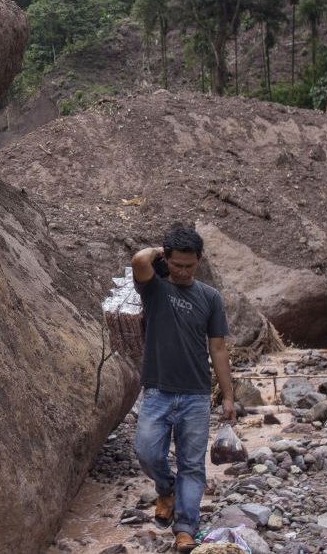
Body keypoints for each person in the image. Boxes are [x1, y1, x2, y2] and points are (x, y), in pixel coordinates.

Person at [131, 226, 235, 554]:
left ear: (199, 262)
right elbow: (138, 259)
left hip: (196, 395)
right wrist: (159, 253)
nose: (183, 271)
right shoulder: (155, 289)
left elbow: (218, 348)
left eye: (189, 266)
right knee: (147, 452)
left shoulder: (210, 298)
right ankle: (166, 488)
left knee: (192, 465)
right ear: (168, 259)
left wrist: (228, 395)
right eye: (177, 264)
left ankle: (186, 529)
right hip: (158, 390)